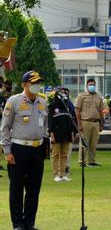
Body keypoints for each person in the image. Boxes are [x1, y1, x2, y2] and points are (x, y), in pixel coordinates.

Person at [0, 71, 47, 230]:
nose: (36, 85)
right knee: (17, 188)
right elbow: (4, 128)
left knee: (34, 189)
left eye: (38, 82)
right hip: (18, 149)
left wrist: (44, 144)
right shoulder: (14, 101)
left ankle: (29, 223)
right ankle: (18, 224)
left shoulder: (42, 102)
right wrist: (7, 151)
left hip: (37, 149)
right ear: (24, 84)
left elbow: (45, 126)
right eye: (33, 82)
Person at [48, 89, 77, 182]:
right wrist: (52, 135)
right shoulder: (52, 106)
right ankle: (56, 174)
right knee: (55, 155)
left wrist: (72, 133)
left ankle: (63, 174)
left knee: (64, 155)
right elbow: (50, 122)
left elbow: (70, 121)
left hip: (66, 134)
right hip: (56, 134)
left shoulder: (66, 107)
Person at [76, 79, 104, 167]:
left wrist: (101, 124)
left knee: (93, 143)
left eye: (93, 84)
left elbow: (101, 111)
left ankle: (91, 160)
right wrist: (79, 124)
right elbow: (77, 110)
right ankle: (82, 161)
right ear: (87, 86)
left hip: (95, 122)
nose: (92, 86)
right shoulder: (81, 96)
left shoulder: (99, 97)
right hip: (85, 122)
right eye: (90, 84)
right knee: (84, 142)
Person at [61, 87, 77, 176]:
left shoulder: (70, 105)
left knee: (68, 151)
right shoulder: (55, 105)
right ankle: (60, 169)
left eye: (65, 93)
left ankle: (66, 167)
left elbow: (74, 119)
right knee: (59, 152)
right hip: (59, 131)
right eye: (62, 93)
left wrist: (75, 132)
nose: (64, 94)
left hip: (69, 131)